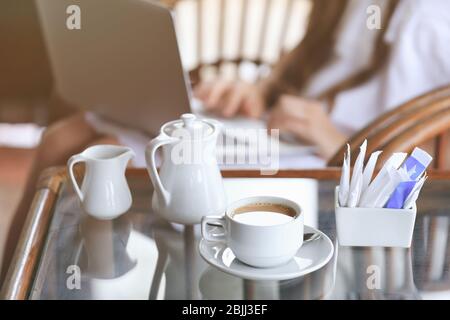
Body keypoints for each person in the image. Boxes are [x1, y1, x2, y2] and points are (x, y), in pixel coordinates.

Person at [2, 0, 450, 282]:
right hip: (277, 133)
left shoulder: (430, 16)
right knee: (69, 134)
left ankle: (61, 280)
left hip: (323, 157)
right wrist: (255, 91)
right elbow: (303, 70)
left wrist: (329, 133)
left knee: (88, 147)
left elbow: (423, 143)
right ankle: (20, 280)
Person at [195, 0, 450, 160]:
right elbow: (312, 62)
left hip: (348, 187)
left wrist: (339, 146)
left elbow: (436, 163)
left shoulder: (432, 16)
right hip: (288, 144)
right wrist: (258, 92)